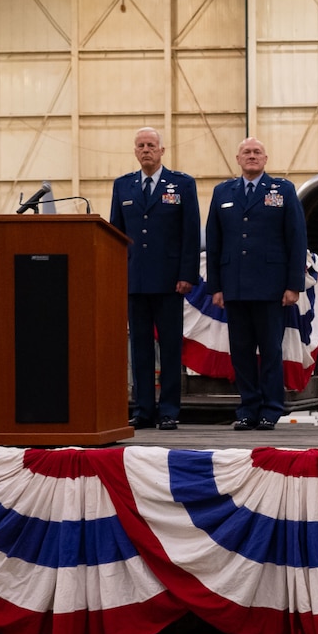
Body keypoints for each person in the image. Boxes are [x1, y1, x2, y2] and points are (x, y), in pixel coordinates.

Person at [205, 137, 307, 431]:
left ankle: (270, 409)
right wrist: (216, 287)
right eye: (246, 152)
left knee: (271, 351)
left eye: (257, 152)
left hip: (270, 287)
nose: (252, 156)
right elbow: (214, 241)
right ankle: (248, 408)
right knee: (241, 351)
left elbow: (296, 238)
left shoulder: (282, 190)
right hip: (234, 286)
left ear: (266, 158)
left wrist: (293, 285)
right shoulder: (223, 192)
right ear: (238, 158)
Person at [110, 128, 200, 430]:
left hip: (170, 281)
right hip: (135, 281)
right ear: (135, 152)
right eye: (141, 146)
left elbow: (190, 233)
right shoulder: (123, 187)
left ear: (162, 151)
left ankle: (170, 410)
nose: (146, 150)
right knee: (140, 348)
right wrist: (118, 276)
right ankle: (144, 409)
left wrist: (187, 274)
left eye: (151, 145)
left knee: (171, 347)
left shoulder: (182, 185)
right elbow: (115, 236)